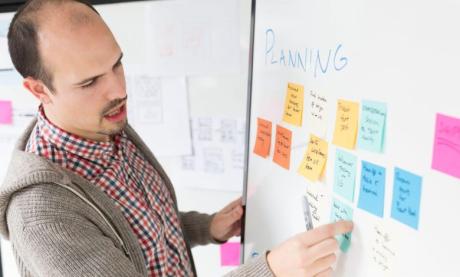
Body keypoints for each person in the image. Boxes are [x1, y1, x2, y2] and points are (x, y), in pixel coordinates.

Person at [0, 0, 353, 276]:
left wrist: (206, 227)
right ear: (38, 90)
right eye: (89, 82)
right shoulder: (43, 216)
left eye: (117, 64)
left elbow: (139, 232)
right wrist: (271, 270)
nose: (119, 89)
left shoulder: (101, 124)